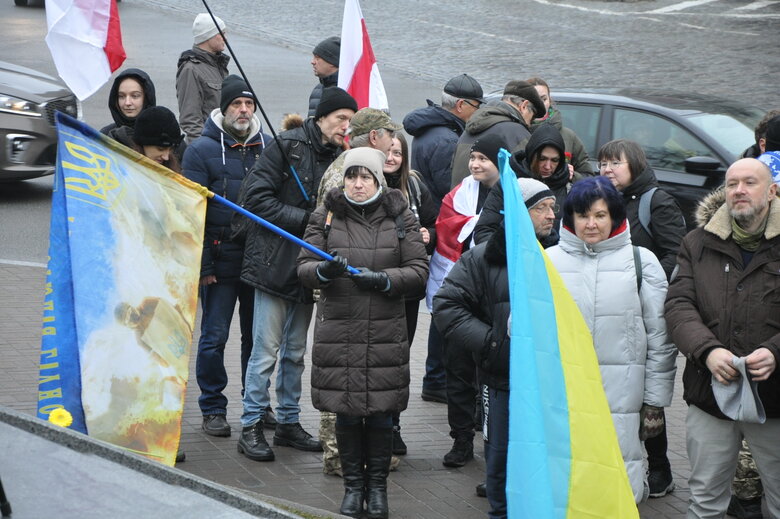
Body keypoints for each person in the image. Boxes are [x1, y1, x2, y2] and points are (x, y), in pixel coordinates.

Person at [297, 147, 428, 518]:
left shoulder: (400, 215)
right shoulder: (326, 215)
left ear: (378, 180)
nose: (357, 184)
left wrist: (384, 279)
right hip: (339, 330)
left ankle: (378, 491)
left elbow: (418, 270)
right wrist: (323, 272)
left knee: (382, 413)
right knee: (347, 413)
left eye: (365, 177)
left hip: (384, 331)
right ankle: (353, 488)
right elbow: (304, 266)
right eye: (351, 176)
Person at [236, 86, 358, 462]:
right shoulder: (286, 146)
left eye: (351, 120)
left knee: (295, 352)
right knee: (265, 352)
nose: (346, 126)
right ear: (321, 118)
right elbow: (254, 200)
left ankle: (288, 422)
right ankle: (251, 424)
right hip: (274, 263)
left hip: (310, 269)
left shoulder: (342, 156)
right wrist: (308, 220)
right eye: (341, 118)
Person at [432, 177, 560, 518]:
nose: (551, 215)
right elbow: (447, 305)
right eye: (541, 208)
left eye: (553, 207)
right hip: (500, 380)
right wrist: (491, 343)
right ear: (518, 213)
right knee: (500, 460)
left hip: (549, 383)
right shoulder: (482, 259)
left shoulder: (560, 258)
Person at [547, 176, 677, 503]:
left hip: (623, 397)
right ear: (570, 217)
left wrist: (654, 401)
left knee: (618, 479)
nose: (591, 224)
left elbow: (661, 339)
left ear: (614, 216)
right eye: (583, 215)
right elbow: (524, 330)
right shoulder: (548, 262)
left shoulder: (642, 262)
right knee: (566, 480)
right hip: (563, 392)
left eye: (600, 215)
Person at [665, 158, 780, 519]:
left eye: (749, 183)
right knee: (705, 501)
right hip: (710, 393)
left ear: (772, 191)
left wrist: (775, 352)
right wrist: (707, 351)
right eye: (732, 184)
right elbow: (678, 305)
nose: (739, 190)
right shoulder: (697, 243)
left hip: (776, 399)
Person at [315, 105, 402, 477]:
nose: (393, 144)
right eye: (389, 136)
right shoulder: (346, 172)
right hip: (341, 290)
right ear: (375, 137)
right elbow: (325, 230)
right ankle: (338, 454)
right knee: (340, 378)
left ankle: (364, 454)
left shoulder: (365, 170)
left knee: (365, 377)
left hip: (369, 291)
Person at [182, 75, 271, 438]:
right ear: (224, 108)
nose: (244, 110)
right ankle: (213, 407)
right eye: (237, 104)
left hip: (257, 263)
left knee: (258, 340)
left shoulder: (268, 147)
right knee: (214, 337)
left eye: (249, 104)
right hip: (218, 263)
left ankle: (257, 405)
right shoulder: (200, 151)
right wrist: (203, 264)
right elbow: (192, 213)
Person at [596, 138, 686, 498]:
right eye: (603, 163)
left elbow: (676, 253)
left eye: (615, 163)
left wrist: (643, 282)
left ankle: (660, 467)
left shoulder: (656, 201)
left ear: (634, 164)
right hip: (608, 310)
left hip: (644, 309)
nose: (607, 170)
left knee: (646, 394)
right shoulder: (601, 200)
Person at [429, 134, 507, 469]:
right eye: (473, 158)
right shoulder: (460, 194)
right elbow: (447, 227)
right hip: (463, 290)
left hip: (496, 297)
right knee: (458, 369)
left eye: (483, 159)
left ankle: (491, 439)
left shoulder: (514, 194)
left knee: (492, 373)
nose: (475, 164)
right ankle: (461, 440)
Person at [382, 133, 437, 455]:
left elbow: (434, 223)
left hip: (408, 291)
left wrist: (430, 235)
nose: (391, 158)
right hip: (377, 287)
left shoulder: (414, 186)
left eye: (398, 153)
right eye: (387, 152)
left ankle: (394, 425)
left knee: (400, 358)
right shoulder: (366, 182)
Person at [402, 73, 484, 208]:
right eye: (476, 106)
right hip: (439, 212)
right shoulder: (447, 141)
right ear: (460, 105)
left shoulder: (429, 126)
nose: (478, 111)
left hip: (426, 207)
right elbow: (451, 189)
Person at [449, 80, 545, 189]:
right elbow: (529, 184)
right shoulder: (518, 133)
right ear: (524, 106)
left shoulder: (467, 131)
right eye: (532, 117)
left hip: (459, 198)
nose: (529, 124)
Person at [317, 107, 403, 200]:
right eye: (390, 135)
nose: (392, 143)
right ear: (373, 137)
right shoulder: (345, 175)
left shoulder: (364, 166)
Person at [524, 76, 594, 176]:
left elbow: (588, 176)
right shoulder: (517, 133)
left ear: (550, 100)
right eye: (534, 100)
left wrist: (571, 175)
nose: (540, 104)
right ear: (524, 103)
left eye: (544, 99)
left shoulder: (569, 137)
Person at [176, 13, 230, 143]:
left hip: (226, 142)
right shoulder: (190, 69)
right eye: (221, 33)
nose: (225, 38)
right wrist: (203, 149)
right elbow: (190, 119)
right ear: (208, 36)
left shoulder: (218, 65)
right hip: (209, 145)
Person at [111, 106, 184, 173]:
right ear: (142, 143)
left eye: (170, 149)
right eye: (160, 149)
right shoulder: (115, 163)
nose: (166, 157)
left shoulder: (176, 159)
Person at [100, 68, 156, 136]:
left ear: (147, 98)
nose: (127, 103)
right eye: (121, 96)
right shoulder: (105, 136)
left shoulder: (161, 135)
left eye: (135, 96)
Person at [307, 36, 340, 117]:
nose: (312, 62)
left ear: (332, 62)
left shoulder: (347, 89)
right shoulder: (318, 89)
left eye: (317, 58)